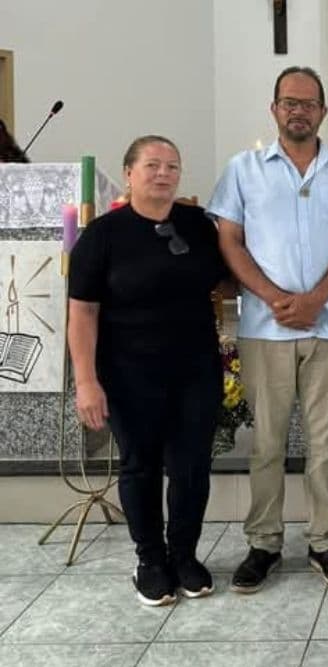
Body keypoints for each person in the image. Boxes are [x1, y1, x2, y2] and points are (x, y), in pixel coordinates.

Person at [208, 66, 328, 593]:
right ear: (274, 108)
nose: (298, 110)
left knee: (326, 442)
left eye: (308, 102)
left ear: (324, 111)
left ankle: (325, 542)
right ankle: (264, 542)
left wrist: (315, 300)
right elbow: (230, 240)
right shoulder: (243, 169)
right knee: (268, 444)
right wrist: (276, 298)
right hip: (265, 326)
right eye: (288, 102)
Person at [68, 135, 226, 606]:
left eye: (173, 166)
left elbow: (229, 273)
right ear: (130, 173)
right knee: (141, 466)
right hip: (128, 371)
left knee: (192, 466)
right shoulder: (102, 235)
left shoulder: (197, 225)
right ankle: (149, 560)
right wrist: (86, 381)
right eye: (152, 165)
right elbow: (82, 313)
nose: (163, 174)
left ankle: (184, 555)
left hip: (195, 367)